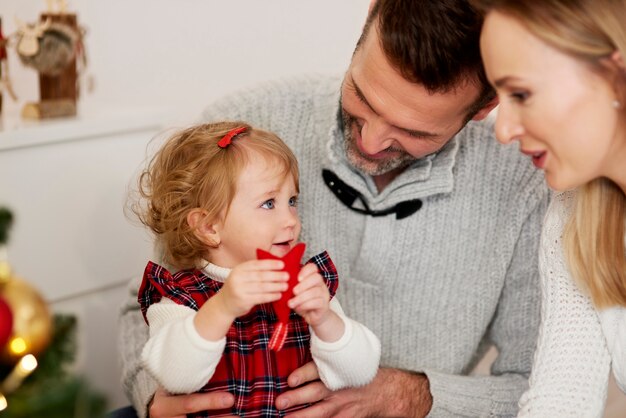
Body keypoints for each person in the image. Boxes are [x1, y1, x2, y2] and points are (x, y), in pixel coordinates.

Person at [119, 1, 550, 417]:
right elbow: (143, 312)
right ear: (369, 15)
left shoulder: (523, 182)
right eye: (362, 96)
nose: (370, 141)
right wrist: (152, 398)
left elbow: (542, 389)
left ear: (484, 106)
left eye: (412, 130)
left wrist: (414, 397)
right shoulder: (242, 131)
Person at [130, 121, 380, 418]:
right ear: (209, 227)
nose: (291, 220)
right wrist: (222, 308)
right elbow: (176, 376)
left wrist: (326, 319)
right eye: (268, 204)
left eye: (292, 201)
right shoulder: (181, 298)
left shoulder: (307, 284)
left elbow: (359, 372)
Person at [473, 0, 626, 416]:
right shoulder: (576, 214)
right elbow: (562, 396)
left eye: (521, 93)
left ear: (613, 74)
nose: (503, 131)